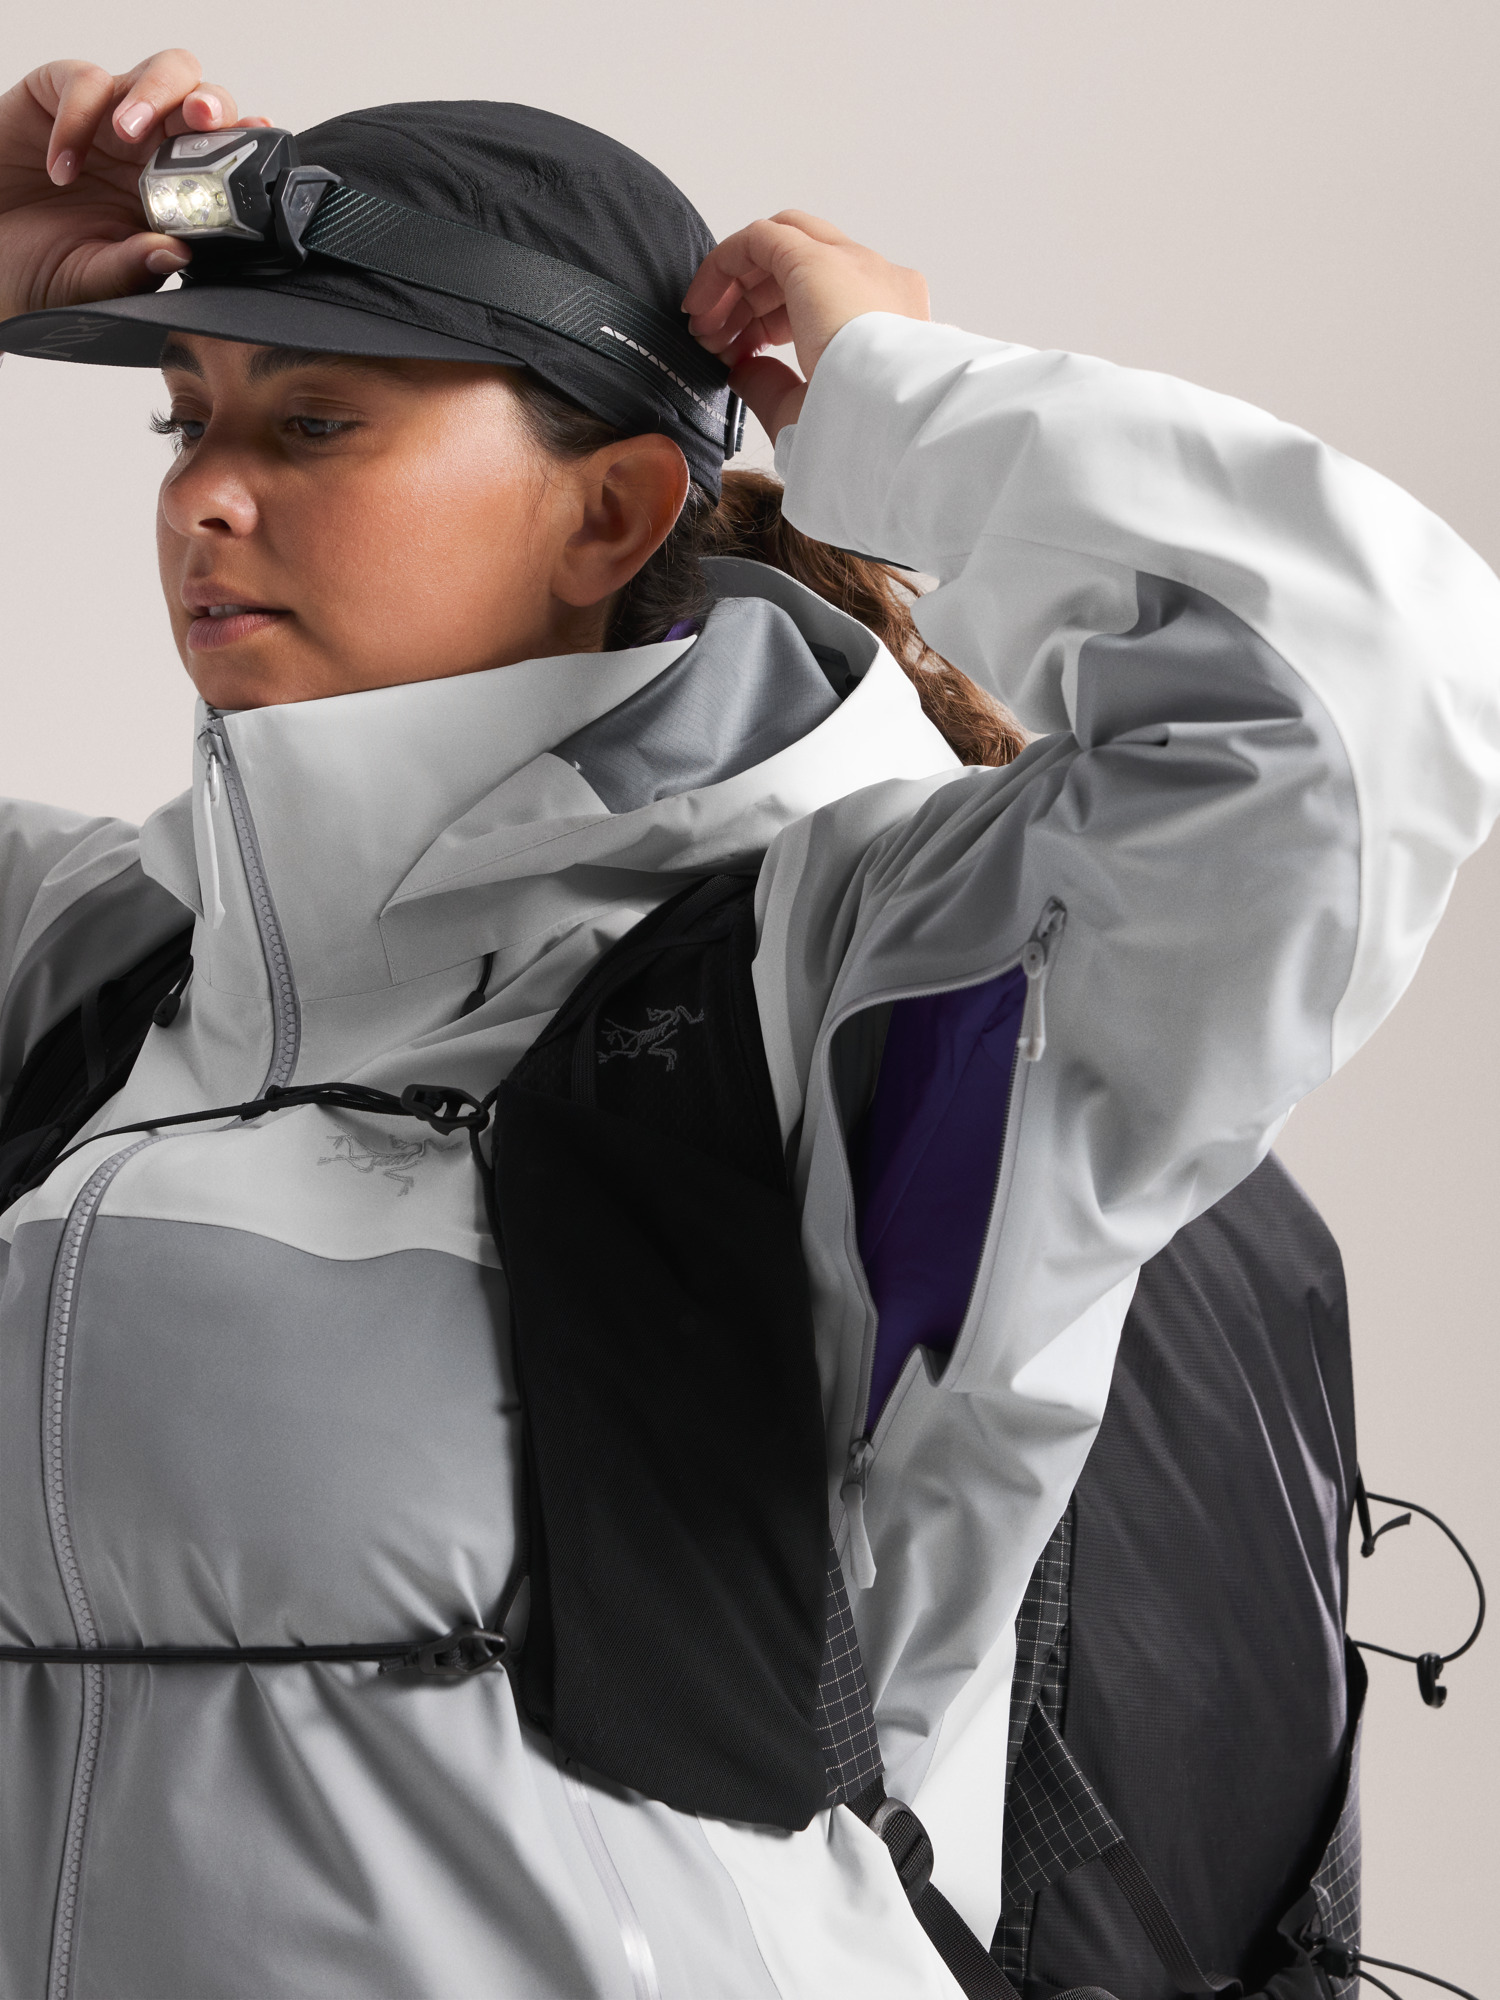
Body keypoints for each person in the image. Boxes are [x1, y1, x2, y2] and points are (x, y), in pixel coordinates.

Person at [0, 48, 1496, 2000]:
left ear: (616, 510)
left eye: (316, 422)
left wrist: (898, 404)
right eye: (186, 419)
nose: (204, 493)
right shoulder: (99, 970)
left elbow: (1348, 706)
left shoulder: (841, 973)